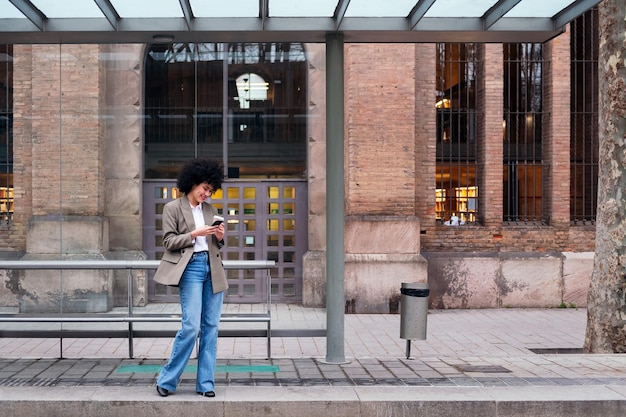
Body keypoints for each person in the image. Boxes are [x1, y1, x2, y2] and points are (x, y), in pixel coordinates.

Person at [153, 158, 227, 398]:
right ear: (193, 183)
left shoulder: (210, 211)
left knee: (211, 327)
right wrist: (194, 234)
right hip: (191, 269)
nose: (207, 193)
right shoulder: (172, 208)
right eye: (204, 188)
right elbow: (168, 242)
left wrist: (219, 236)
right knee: (191, 325)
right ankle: (167, 379)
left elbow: (215, 246)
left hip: (212, 268)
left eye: (210, 190)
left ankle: (206, 384)